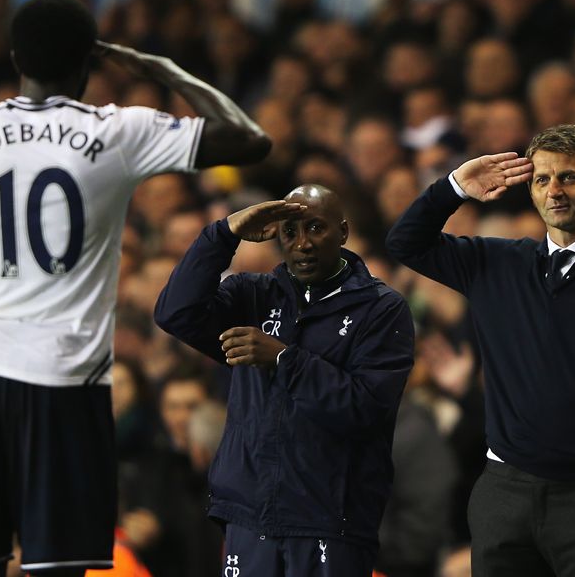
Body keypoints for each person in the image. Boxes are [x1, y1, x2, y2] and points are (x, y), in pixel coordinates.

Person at [0, 0, 269, 577]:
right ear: (89, 63)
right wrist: (162, 70)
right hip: (69, 381)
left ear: (15, 58)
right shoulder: (117, 130)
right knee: (58, 567)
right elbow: (249, 139)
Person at [387, 124, 575, 577]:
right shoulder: (497, 262)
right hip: (503, 494)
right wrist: (454, 188)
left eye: (568, 177)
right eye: (542, 179)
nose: (555, 191)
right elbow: (405, 242)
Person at [154, 185, 415, 577]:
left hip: (330, 519)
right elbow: (176, 313)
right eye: (290, 231)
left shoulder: (381, 309)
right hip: (249, 514)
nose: (303, 243)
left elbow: (366, 408)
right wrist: (223, 234)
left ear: (342, 232)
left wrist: (281, 358)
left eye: (315, 228)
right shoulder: (252, 296)